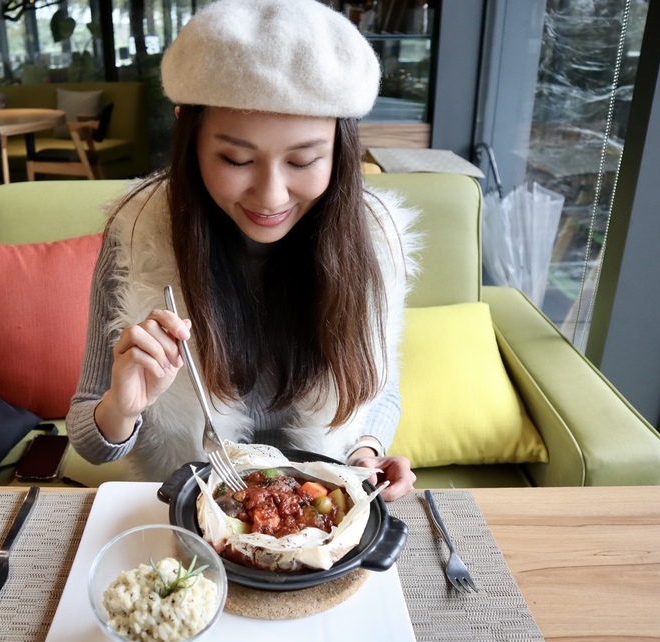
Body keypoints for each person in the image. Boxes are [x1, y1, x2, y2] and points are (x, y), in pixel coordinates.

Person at [67, 0, 419, 501]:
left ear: (339, 151)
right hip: (190, 511)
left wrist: (365, 453)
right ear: (191, 139)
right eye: (236, 158)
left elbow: (380, 385)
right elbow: (89, 440)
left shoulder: (374, 240)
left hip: (317, 512)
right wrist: (123, 409)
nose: (271, 195)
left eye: (304, 160)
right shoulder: (139, 234)